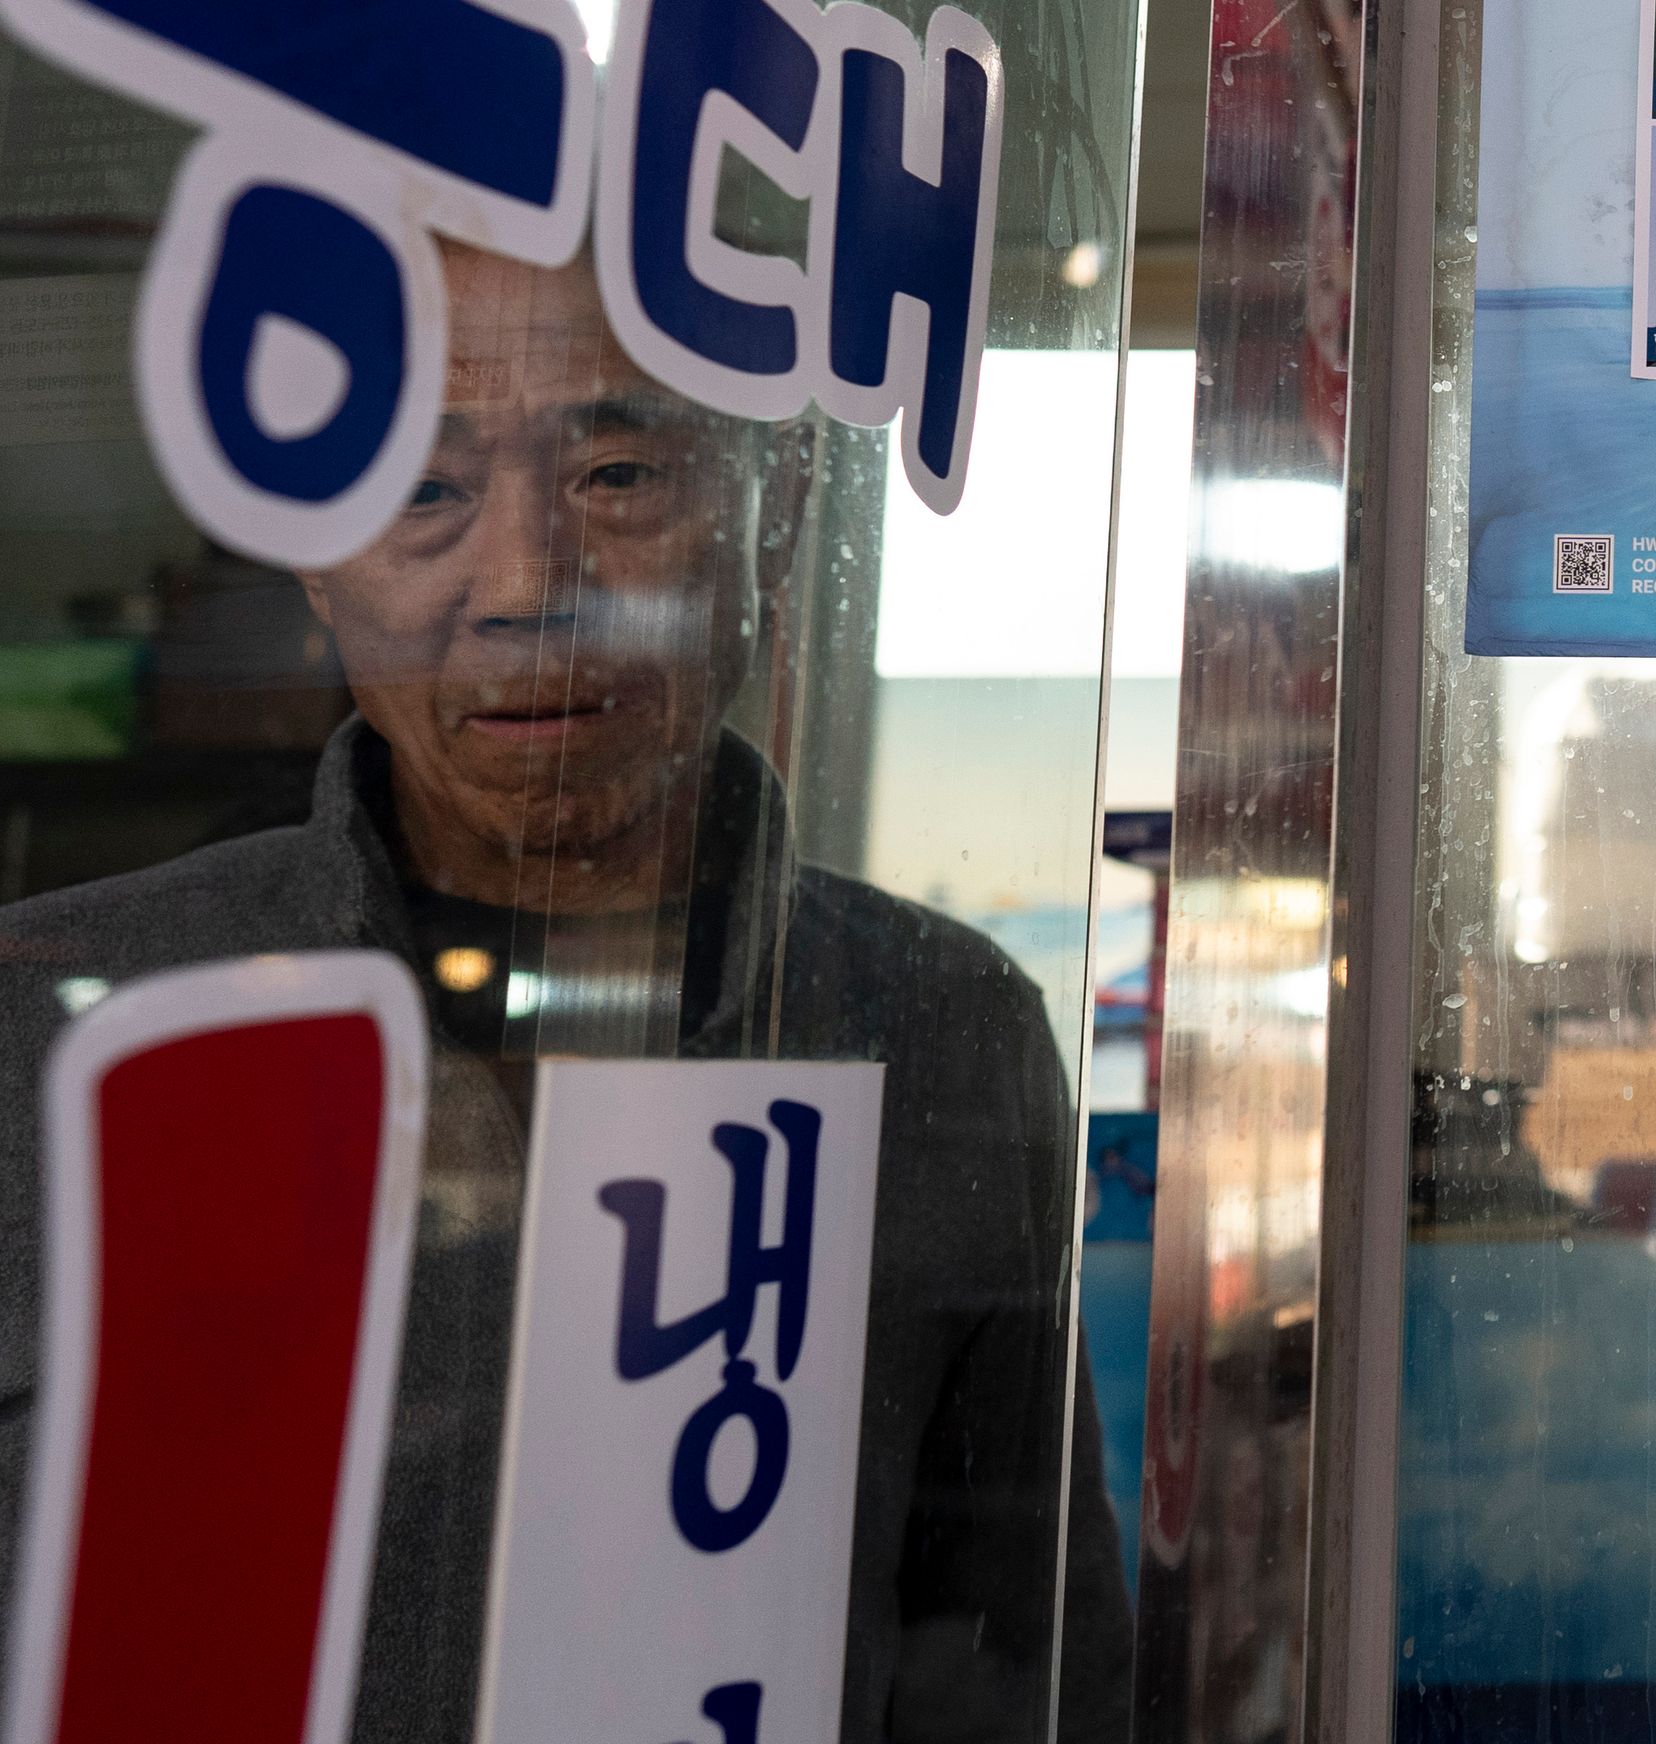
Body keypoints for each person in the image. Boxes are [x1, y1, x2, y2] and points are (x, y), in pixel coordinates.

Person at [0, 246, 1131, 1742]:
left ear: (772, 511)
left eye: (618, 472)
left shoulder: (940, 1025)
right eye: (422, 493)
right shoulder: (63, 1021)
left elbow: (1022, 1668)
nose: (531, 586)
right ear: (312, 559)